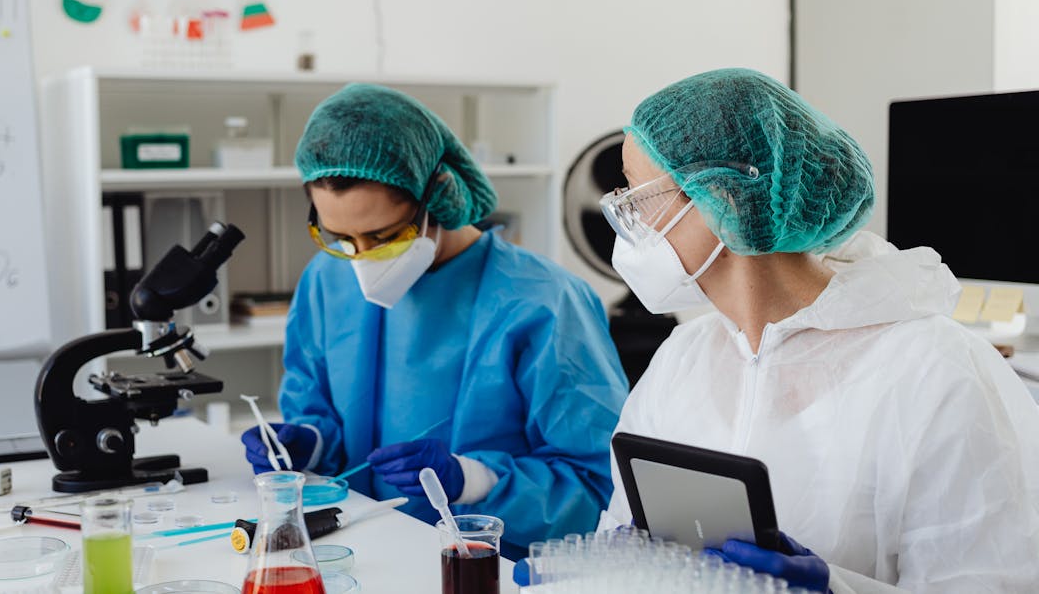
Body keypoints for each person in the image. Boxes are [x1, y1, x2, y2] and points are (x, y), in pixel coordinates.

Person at [597, 68, 1039, 593]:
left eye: (637, 197)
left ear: (725, 199)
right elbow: (620, 531)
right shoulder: (682, 359)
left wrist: (837, 589)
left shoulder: (936, 371)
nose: (622, 216)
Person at [241, 83, 629, 554]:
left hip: (485, 568)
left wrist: (471, 480)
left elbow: (597, 489)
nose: (362, 259)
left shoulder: (545, 301)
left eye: (382, 234)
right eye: (341, 236)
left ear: (438, 196)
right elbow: (313, 398)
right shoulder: (328, 278)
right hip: (357, 554)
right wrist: (308, 441)